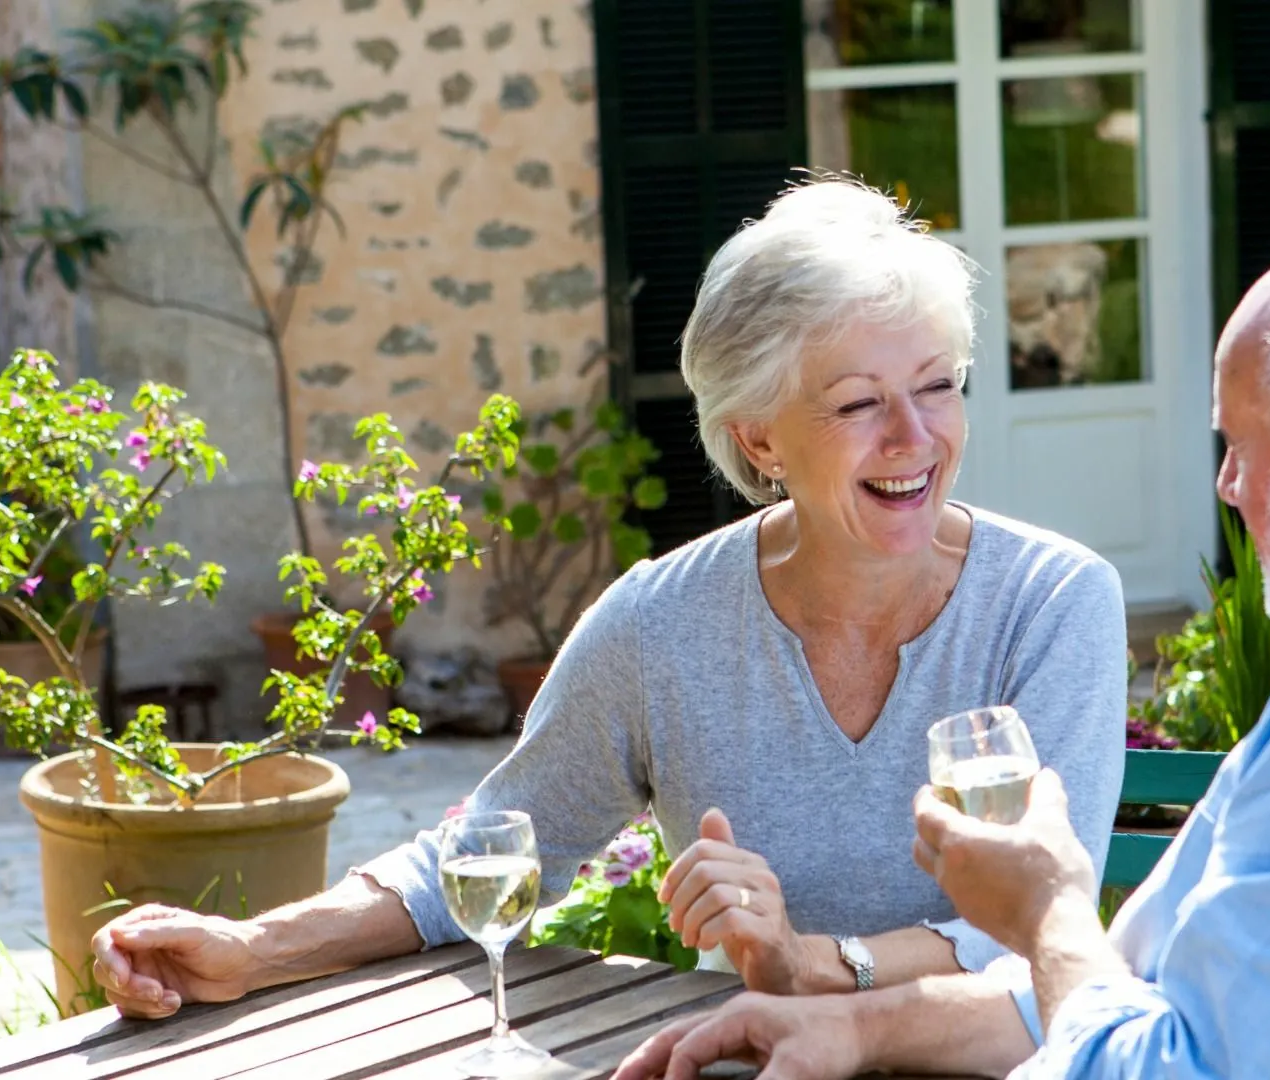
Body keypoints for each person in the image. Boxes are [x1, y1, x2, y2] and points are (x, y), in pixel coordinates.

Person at [615, 230, 1270, 1079]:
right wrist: (859, 1034)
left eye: (1237, 449)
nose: (1224, 487)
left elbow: (1146, 1058)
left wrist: (1046, 909)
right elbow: (1118, 990)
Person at [88, 179, 1128, 1018]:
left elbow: (1035, 920)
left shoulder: (1052, 602)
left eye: (938, 384)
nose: (916, 437)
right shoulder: (658, 625)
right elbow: (489, 855)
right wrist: (250, 947)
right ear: (759, 438)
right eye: (859, 403)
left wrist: (813, 966)